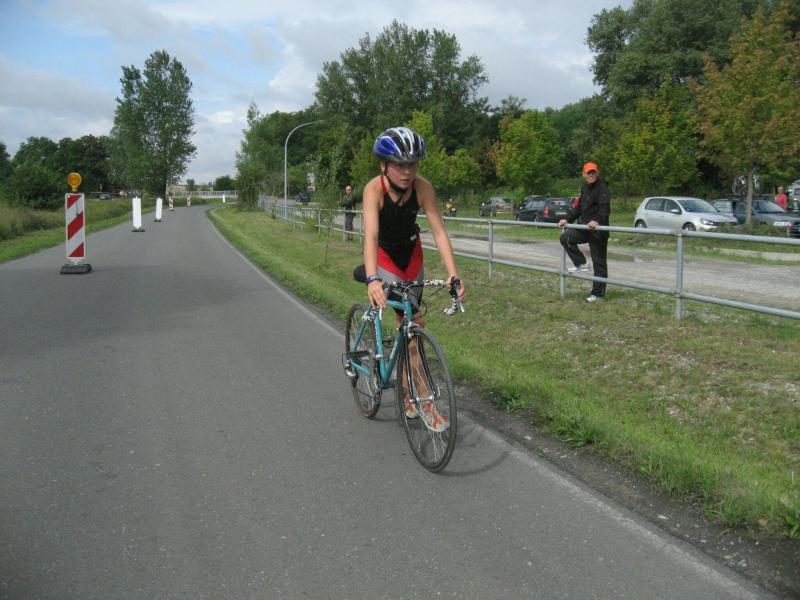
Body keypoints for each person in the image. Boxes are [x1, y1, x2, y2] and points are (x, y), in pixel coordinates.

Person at [362, 127, 465, 429]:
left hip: (412, 254)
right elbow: (371, 237)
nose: (407, 171)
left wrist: (453, 273)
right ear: (384, 165)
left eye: (413, 164)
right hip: (385, 256)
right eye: (399, 165)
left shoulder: (422, 188)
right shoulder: (374, 190)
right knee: (409, 321)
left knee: (412, 325)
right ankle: (420, 398)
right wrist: (372, 279)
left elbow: (439, 231)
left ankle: (411, 394)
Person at [558, 162, 611, 302]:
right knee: (566, 238)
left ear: (597, 173)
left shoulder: (603, 188)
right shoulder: (585, 188)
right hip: (585, 228)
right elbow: (578, 208)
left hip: (598, 230)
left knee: (599, 263)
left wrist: (597, 221)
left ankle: (598, 294)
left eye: (593, 172)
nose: (591, 175)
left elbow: (605, 208)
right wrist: (567, 219)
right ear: (584, 174)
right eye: (588, 172)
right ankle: (581, 264)